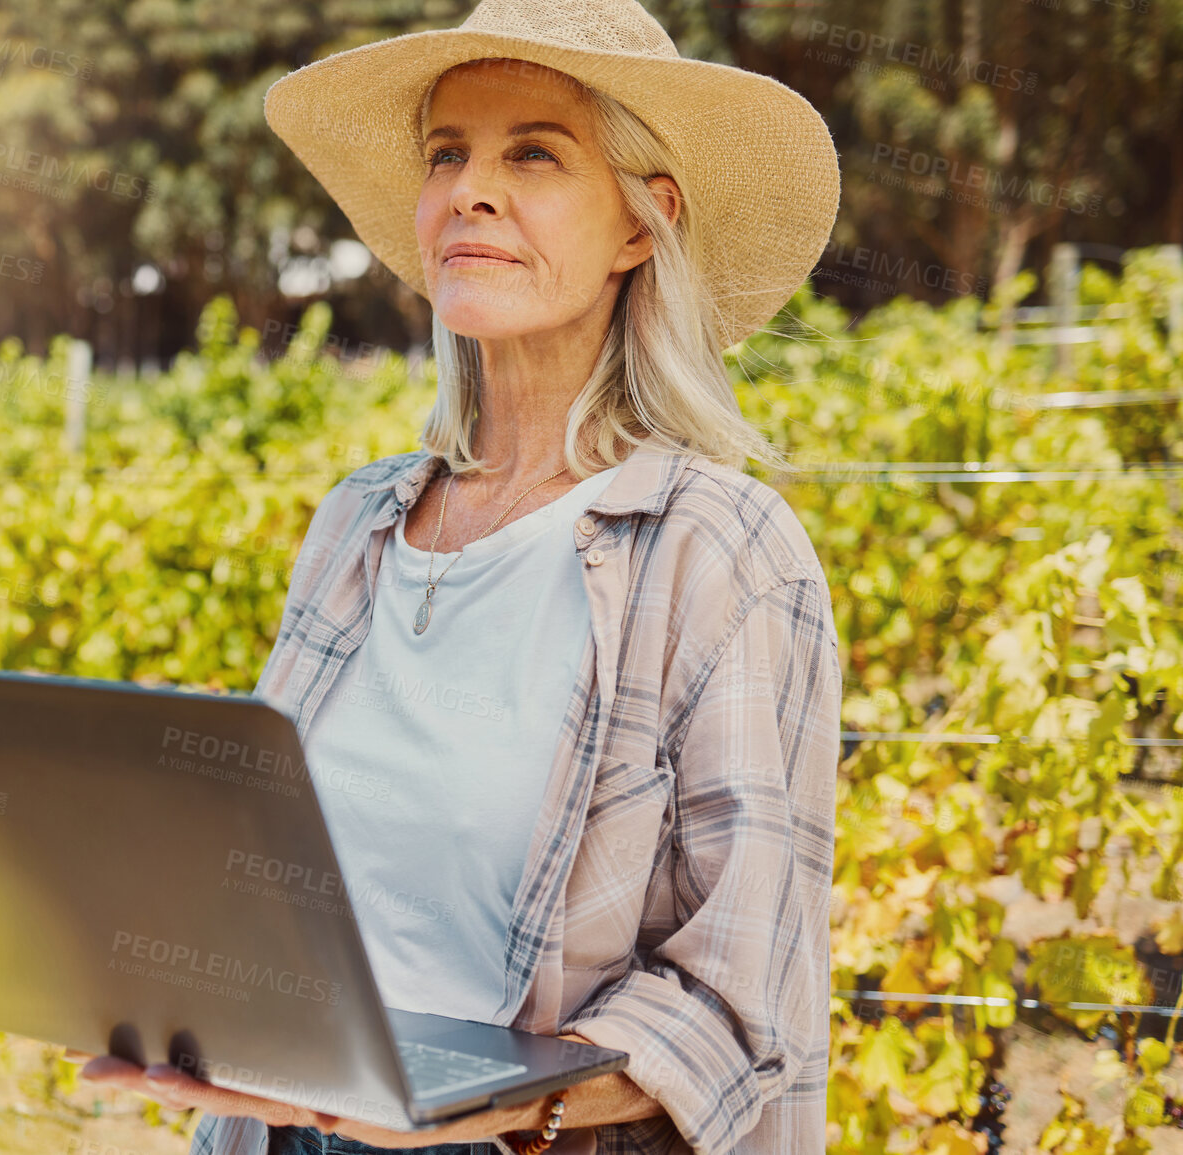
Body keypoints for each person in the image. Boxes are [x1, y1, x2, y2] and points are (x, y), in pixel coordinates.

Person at [70, 0, 844, 1152]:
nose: (471, 190)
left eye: (534, 151)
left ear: (644, 223)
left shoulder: (718, 551)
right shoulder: (356, 527)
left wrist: (469, 1103)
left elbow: (734, 1002)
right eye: (448, 155)